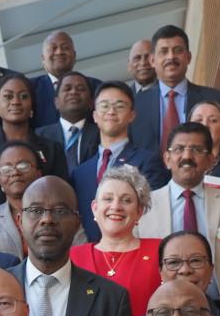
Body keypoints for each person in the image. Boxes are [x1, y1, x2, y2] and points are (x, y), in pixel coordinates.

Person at [8, 175, 136, 316]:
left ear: (77, 223)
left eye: (60, 211)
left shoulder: (110, 298)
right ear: (19, 221)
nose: (47, 220)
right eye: (35, 210)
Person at [140, 122, 220, 312]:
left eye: (196, 149)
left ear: (211, 160)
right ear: (167, 158)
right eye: (179, 149)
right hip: (162, 309)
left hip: (217, 308)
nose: (187, 156)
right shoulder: (144, 206)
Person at [70, 80, 168, 240]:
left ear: (132, 115)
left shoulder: (147, 161)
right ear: (94, 115)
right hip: (91, 255)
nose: (111, 111)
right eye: (104, 105)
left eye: (120, 106)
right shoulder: (80, 172)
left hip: (134, 248)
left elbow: (154, 212)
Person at [0, 72, 68, 208]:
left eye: (23, 96)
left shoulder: (53, 149)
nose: (16, 102)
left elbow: (62, 196)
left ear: (32, 107)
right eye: (8, 96)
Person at [70, 163, 163, 315]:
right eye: (108, 199)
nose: (116, 206)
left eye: (126, 200)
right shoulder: (74, 257)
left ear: (139, 212)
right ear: (95, 208)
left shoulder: (160, 251)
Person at [130, 24, 220, 150]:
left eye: (178, 50)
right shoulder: (136, 104)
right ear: (153, 60)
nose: (171, 57)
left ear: (188, 57)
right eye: (164, 51)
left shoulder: (215, 99)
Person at [31, 31, 99, 127]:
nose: (59, 52)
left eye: (65, 48)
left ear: (74, 56)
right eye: (53, 48)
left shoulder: (95, 87)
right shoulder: (29, 89)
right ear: (43, 58)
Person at [36, 71, 99, 171]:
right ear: (56, 102)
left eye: (80, 89)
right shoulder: (39, 136)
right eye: (67, 88)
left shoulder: (101, 134)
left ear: (91, 103)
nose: (73, 92)